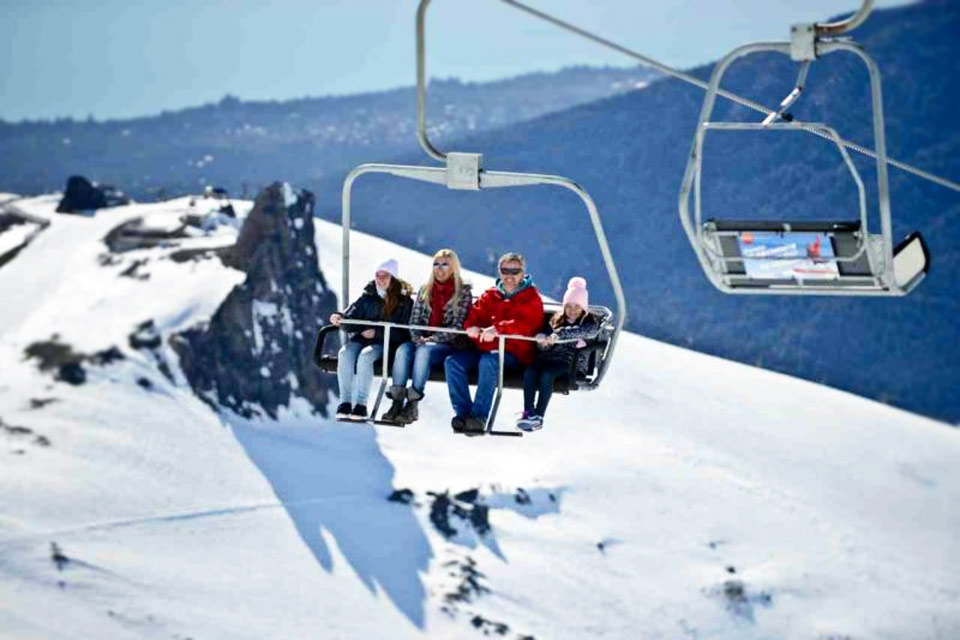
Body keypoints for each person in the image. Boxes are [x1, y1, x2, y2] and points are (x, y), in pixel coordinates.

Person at [444, 252, 544, 434]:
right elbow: (475, 315)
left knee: (489, 362)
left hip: (514, 353)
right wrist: (471, 327)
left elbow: (526, 326)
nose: (509, 276)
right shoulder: (492, 295)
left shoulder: (531, 298)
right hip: (486, 349)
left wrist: (498, 329)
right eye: (505, 270)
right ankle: (464, 414)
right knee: (453, 363)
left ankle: (479, 417)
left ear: (523, 273)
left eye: (514, 271)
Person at [382, 249, 474, 424]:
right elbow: (414, 320)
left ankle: (413, 402)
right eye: (436, 264)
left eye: (445, 265)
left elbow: (457, 326)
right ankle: (396, 401)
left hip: (447, 344)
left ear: (453, 268)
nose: (439, 269)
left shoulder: (462, 293)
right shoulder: (426, 290)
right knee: (403, 350)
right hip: (421, 341)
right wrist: (417, 337)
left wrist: (433, 339)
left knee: (424, 351)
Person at [329, 259, 413, 421]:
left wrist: (377, 333)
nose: (380, 279)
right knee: (345, 353)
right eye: (378, 275)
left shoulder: (404, 302)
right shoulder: (367, 298)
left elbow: (405, 332)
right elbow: (350, 320)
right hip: (361, 340)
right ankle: (345, 402)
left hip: (385, 344)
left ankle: (361, 405)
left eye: (385, 275)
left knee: (366, 356)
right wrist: (340, 318)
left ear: (393, 278)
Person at [517, 277, 600, 431]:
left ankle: (539, 416)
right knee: (530, 372)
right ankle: (529, 412)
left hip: (570, 363)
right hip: (549, 358)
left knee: (547, 375)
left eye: (577, 306)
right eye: (569, 306)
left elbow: (582, 332)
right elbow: (547, 342)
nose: (573, 310)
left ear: (584, 307)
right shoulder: (556, 320)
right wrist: (543, 343)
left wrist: (558, 335)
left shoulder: (589, 323)